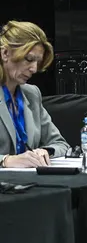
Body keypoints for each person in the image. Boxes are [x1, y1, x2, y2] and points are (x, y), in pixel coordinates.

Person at [0, 20, 72, 167]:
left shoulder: (31, 93)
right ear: (5, 53)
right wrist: (5, 160)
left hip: (29, 178)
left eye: (37, 62)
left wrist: (45, 151)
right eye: (29, 59)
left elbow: (60, 144)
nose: (33, 69)